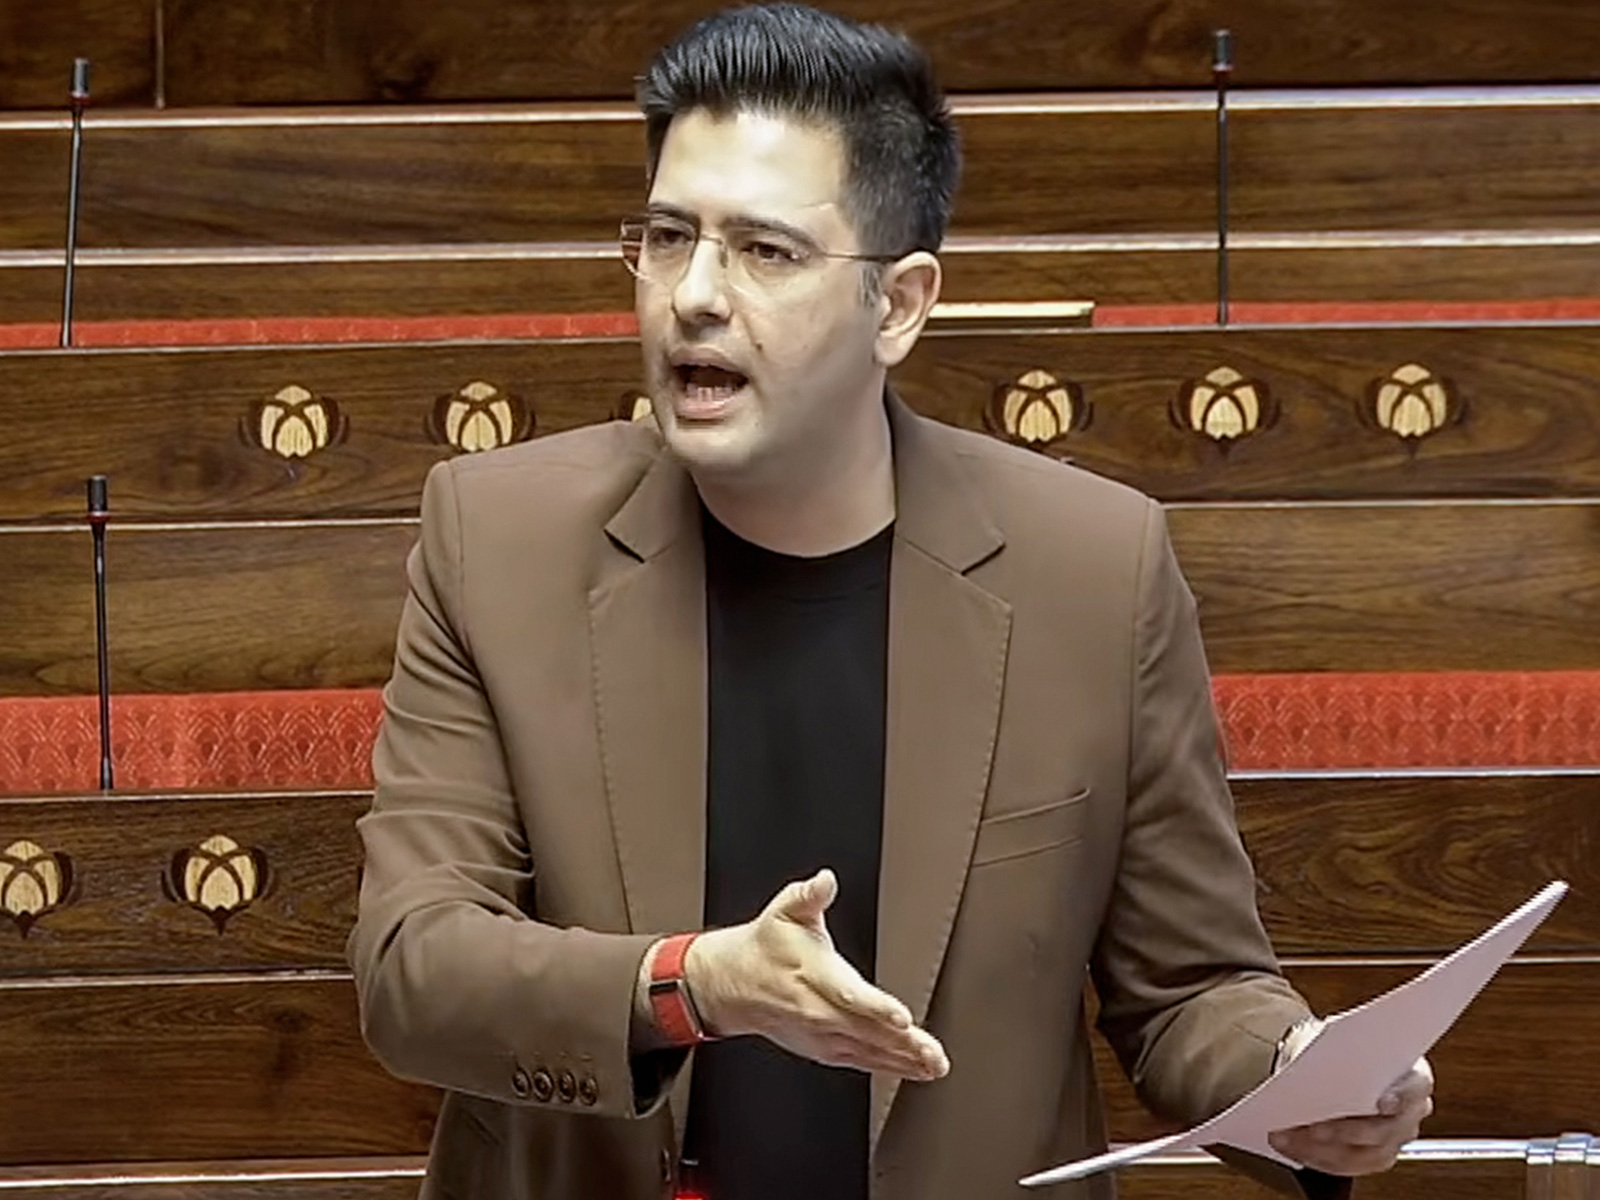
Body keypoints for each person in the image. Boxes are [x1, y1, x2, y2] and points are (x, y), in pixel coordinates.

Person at [347, 5, 1433, 1198]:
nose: (693, 294)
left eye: (764, 251)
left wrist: (1298, 1075)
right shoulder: (496, 541)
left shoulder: (1092, 567)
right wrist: (695, 984)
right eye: (667, 236)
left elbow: (1188, 991)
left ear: (900, 303)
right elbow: (414, 969)